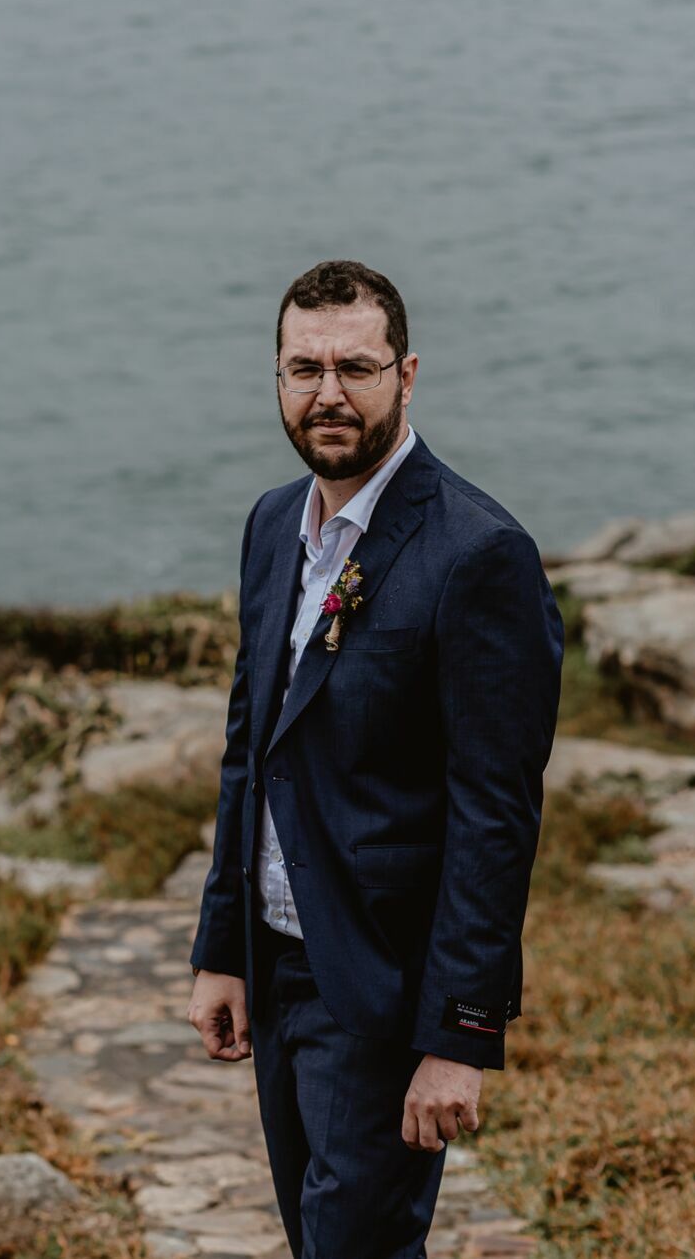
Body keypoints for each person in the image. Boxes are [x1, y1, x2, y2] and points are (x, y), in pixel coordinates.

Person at [185, 259, 564, 1257]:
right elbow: (249, 747)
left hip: (384, 991)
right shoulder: (273, 524)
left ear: (407, 375)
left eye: (355, 367)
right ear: (276, 377)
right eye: (304, 369)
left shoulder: (479, 554)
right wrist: (223, 948)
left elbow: (495, 817)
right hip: (277, 969)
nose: (329, 394)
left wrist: (459, 1037)